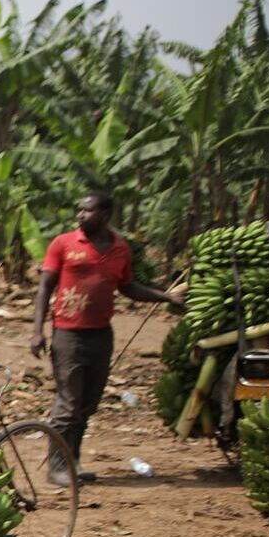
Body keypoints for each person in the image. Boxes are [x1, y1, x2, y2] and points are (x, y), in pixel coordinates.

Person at [30, 190, 183, 485]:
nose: (80, 215)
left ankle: (72, 462)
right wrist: (37, 331)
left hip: (101, 335)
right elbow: (44, 288)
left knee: (87, 404)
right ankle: (57, 467)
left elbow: (127, 287)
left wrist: (166, 297)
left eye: (87, 211)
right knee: (68, 403)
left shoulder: (120, 248)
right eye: (79, 210)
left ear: (105, 214)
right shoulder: (63, 244)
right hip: (68, 334)